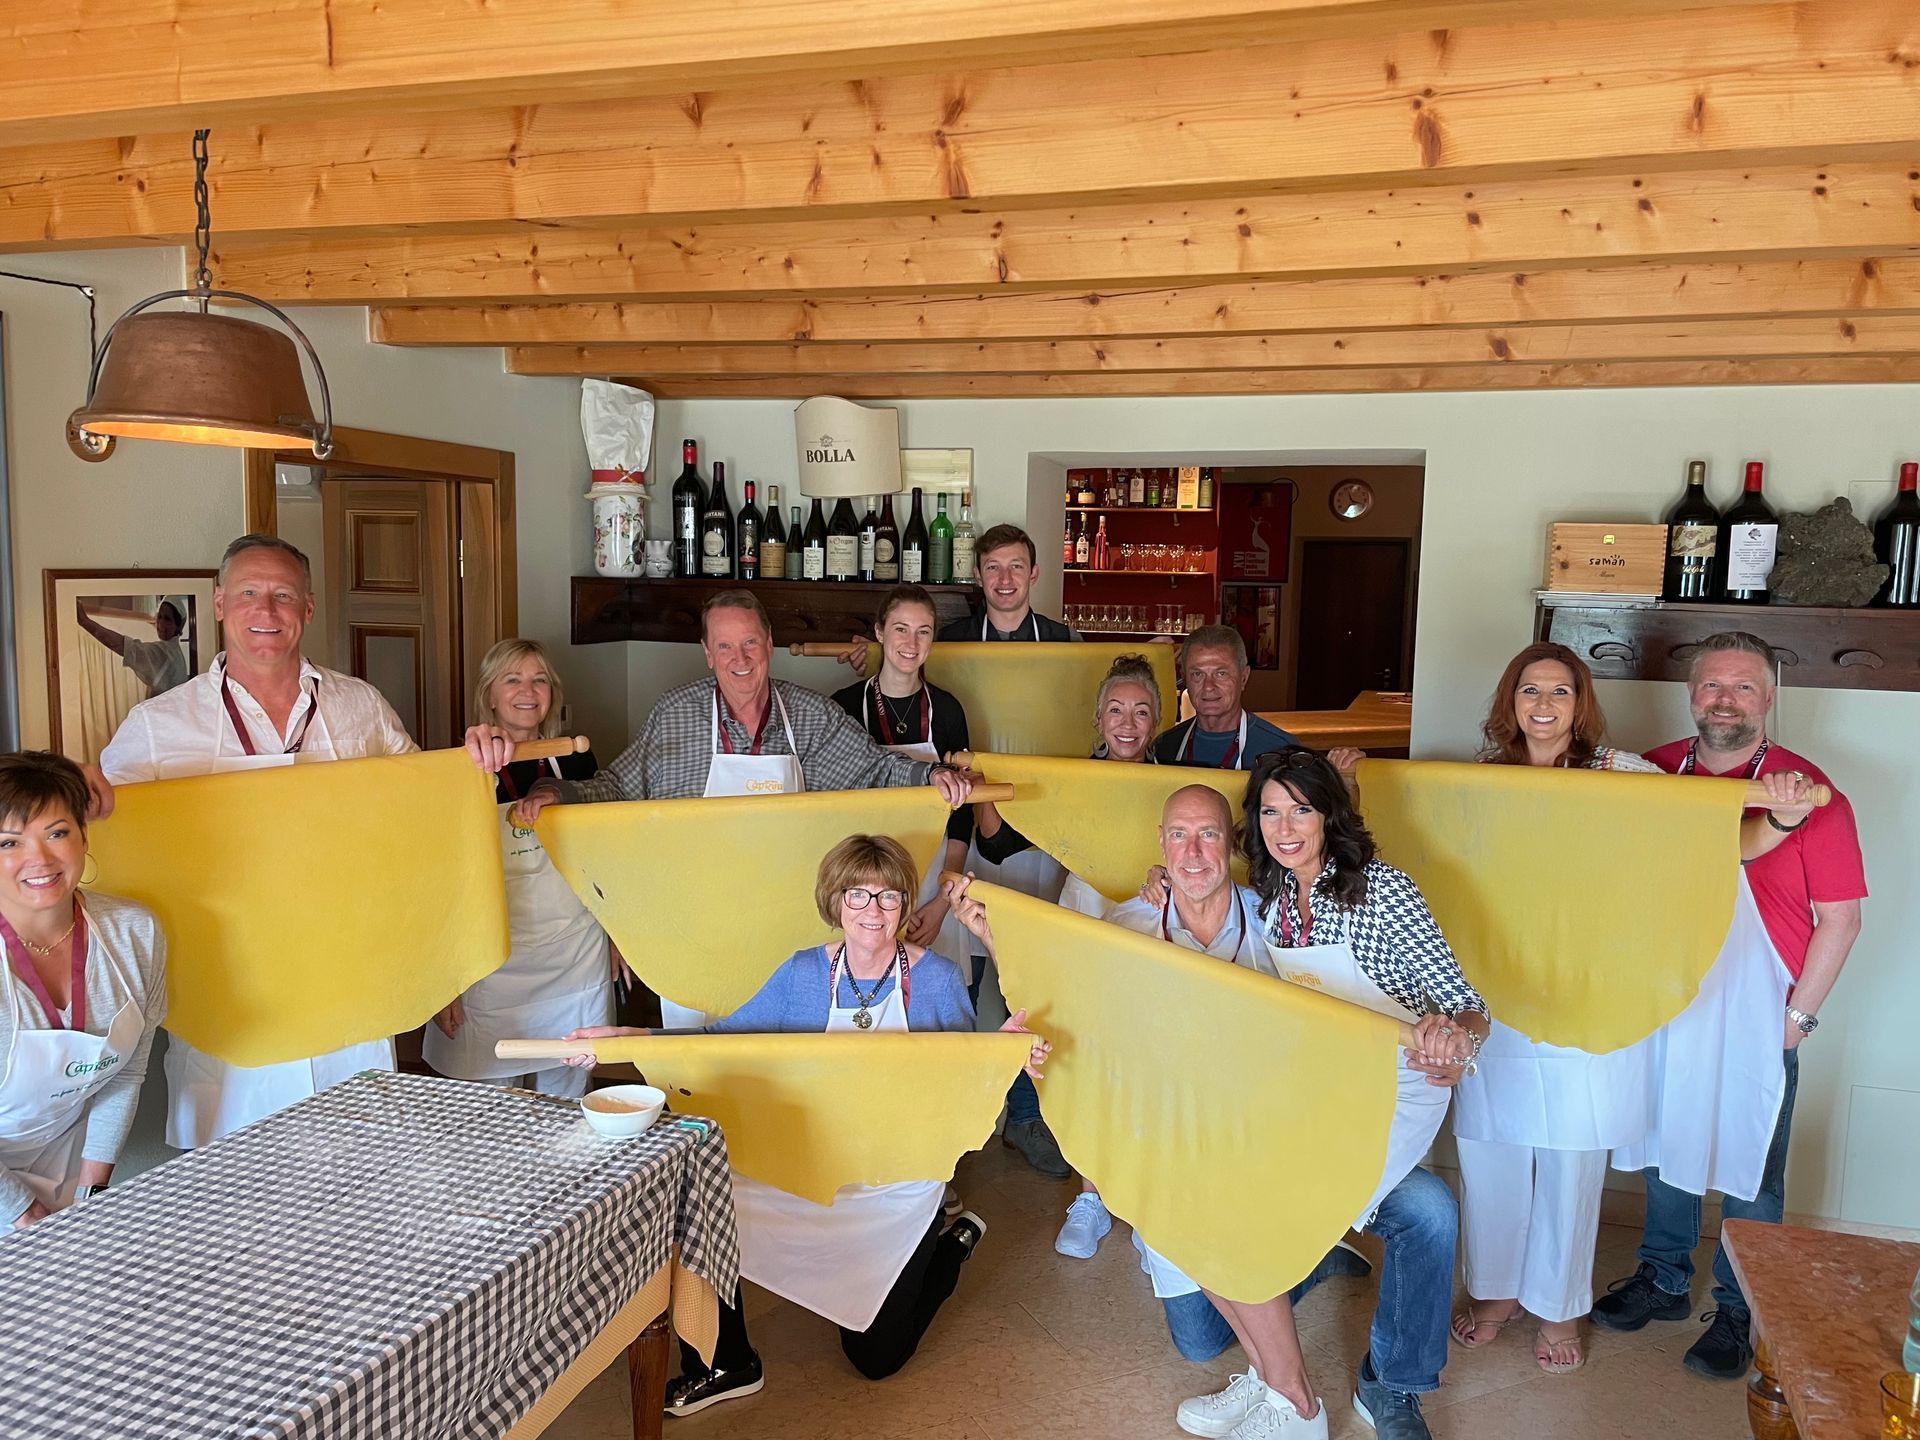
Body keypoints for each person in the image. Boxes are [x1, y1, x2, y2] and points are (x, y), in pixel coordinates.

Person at [562, 834, 1049, 1415]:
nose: (874, 911)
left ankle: (952, 1246)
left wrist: (1005, 1054)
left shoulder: (938, 981)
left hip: (896, 1182)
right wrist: (627, 1041)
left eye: (889, 897)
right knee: (704, 1202)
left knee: (877, 1360)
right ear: (835, 901)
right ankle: (726, 1359)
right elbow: (721, 1044)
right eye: (858, 895)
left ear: (904, 905)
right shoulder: (802, 974)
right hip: (805, 1163)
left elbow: (968, 1077)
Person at [1174, 749, 1486, 1440]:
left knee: (1268, 1205)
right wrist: (1158, 882)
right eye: (1271, 811)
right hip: (1318, 1094)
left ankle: (1364, 1393)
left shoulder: (1383, 890)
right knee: (1203, 1193)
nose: (1286, 827)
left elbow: (1468, 1005)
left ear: (1329, 814)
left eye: (1303, 810)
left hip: (1393, 1095)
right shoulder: (1276, 895)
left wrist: (1456, 1046)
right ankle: (1273, 1377)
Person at [1590, 631, 1865, 1382]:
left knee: (1755, 1167)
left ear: (1770, 697)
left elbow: (1841, 918)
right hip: (1671, 990)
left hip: (1759, 1004)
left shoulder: (1809, 789)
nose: (1725, 699)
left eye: (1743, 687)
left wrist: (1796, 1020)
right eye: (1713, 685)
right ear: (1691, 693)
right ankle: (1664, 1276)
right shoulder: (1657, 770)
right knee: (1666, 1135)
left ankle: (1743, 1306)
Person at [99, 534, 414, 1148]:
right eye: (248, 593)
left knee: (363, 1167)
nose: (265, 611)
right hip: (231, 981)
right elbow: (105, 838)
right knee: (236, 1183)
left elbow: (420, 811)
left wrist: (476, 763)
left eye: (282, 595)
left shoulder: (361, 708)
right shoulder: (160, 726)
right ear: (219, 604)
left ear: (308, 609)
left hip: (347, 967)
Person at [1096, 784, 1375, 1369]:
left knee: (1249, 1252)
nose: (1193, 853)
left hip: (1262, 1141)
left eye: (1209, 835)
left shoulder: (1274, 920)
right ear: (1161, 845)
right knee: (1198, 1343)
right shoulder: (1123, 926)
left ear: (1234, 844)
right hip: (1172, 1149)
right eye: (1179, 836)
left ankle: (1300, 1271)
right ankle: (1314, 1263)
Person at [1448, 643, 1661, 1374]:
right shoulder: (1482, 780)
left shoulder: (1623, 774)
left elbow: (1685, 838)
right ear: (1510, 701)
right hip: (1497, 986)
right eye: (1529, 690)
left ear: (1581, 702)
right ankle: (1499, 1290)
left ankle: (1560, 1302)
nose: (1543, 705)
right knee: (1491, 1142)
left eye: (1560, 692)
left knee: (1573, 1147)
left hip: (1584, 986)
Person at [969, 653, 1161, 1187]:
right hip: (1084, 922)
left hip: (1152, 933)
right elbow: (1000, 842)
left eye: (1141, 712)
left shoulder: (1175, 783)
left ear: (1157, 722)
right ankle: (1090, 1190)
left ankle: (1141, 1173)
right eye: (1116, 711)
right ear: (1097, 721)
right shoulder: (1072, 780)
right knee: (1081, 1051)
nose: (1127, 724)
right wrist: (987, 779)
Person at [425, 640, 614, 1099]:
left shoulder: (575, 757)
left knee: (568, 1103)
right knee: (487, 1113)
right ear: (489, 694)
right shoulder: (458, 769)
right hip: (490, 968)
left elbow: (606, 857)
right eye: (513, 679)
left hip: (573, 958)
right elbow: (437, 883)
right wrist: (441, 984)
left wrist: (618, 938)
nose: (528, 690)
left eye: (540, 679)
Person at [0, 752, 167, 1229]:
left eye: (57, 832)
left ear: (83, 835)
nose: (40, 859)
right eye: (9, 842)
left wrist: (92, 1197)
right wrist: (24, 1214)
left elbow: (127, 1070)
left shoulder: (135, 932)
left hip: (67, 1162)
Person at [829, 586, 975, 960]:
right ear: (879, 631)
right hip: (860, 886)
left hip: (932, 880)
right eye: (901, 628)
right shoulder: (842, 707)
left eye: (923, 631)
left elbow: (962, 819)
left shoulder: (946, 710)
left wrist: (943, 901)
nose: (912, 642)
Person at [1152, 626, 1300, 769]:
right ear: (1184, 679)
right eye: (1197, 674)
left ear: (1244, 678)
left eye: (1221, 673)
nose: (1208, 686)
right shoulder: (1163, 748)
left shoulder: (1281, 752)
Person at [76, 597, 191, 696]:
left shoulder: (166, 652)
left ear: (178, 625)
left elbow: (122, 645)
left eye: (167, 619)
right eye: (159, 617)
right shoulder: (175, 651)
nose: (160, 623)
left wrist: (85, 621)